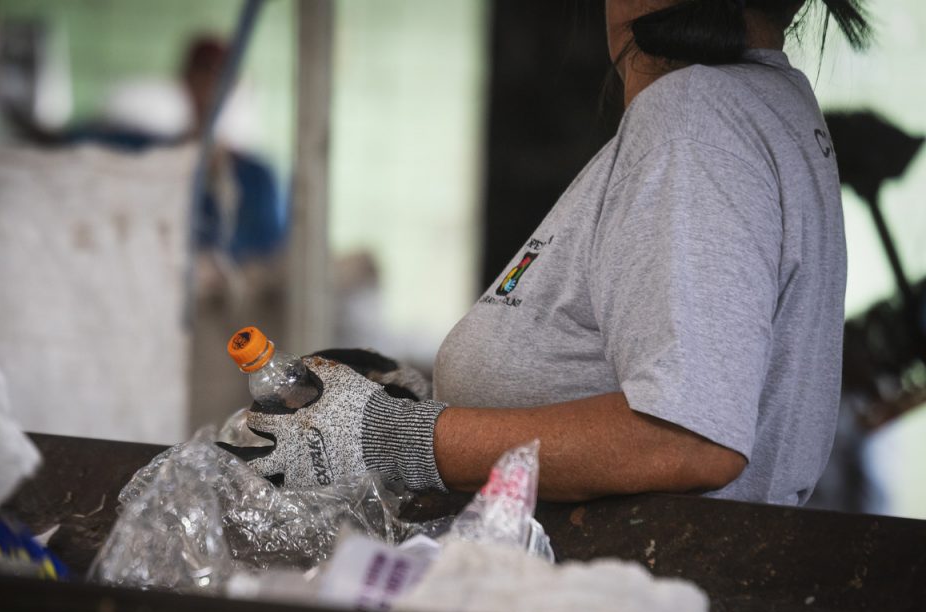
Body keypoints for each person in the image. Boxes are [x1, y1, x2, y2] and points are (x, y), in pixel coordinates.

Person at [245, 0, 871, 506]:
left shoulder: (692, 116)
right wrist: (425, 402)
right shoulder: (760, 105)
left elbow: (687, 438)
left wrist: (390, 437)